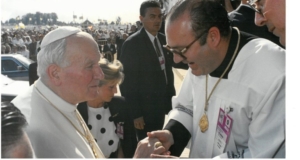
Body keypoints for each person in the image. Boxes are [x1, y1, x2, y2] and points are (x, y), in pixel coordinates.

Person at [135, 0, 285, 158]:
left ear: (213, 37)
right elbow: (185, 107)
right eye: (171, 49)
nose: (176, 60)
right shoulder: (198, 60)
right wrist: (171, 134)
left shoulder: (275, 72)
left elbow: (262, 153)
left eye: (180, 50)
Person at [12, 26, 106, 158]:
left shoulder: (64, 101)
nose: (100, 75)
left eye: (99, 64)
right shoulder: (27, 131)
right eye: (90, 66)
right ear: (55, 73)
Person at [120, 0, 187, 143]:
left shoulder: (163, 40)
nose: (157, 20)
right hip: (144, 109)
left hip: (161, 104)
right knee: (147, 145)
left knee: (158, 141)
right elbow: (127, 83)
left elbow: (173, 64)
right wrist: (136, 113)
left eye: (159, 16)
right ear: (141, 19)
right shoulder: (132, 44)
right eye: (152, 16)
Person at [77, 58, 137, 158]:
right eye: (111, 87)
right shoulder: (77, 110)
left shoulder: (121, 105)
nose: (115, 91)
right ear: (96, 85)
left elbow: (128, 141)